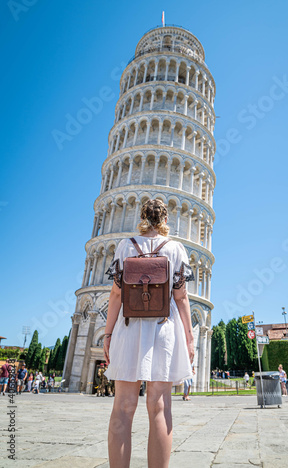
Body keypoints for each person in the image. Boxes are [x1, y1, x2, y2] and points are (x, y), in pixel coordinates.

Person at [103, 199, 194, 468]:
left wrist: (107, 335)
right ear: (165, 221)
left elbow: (117, 293)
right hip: (163, 328)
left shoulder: (125, 245)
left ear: (141, 218)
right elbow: (181, 297)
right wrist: (189, 337)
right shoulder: (176, 249)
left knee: (122, 406)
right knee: (159, 407)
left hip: (129, 327)